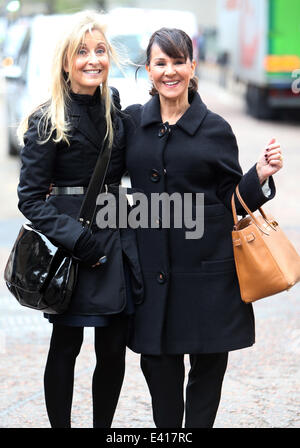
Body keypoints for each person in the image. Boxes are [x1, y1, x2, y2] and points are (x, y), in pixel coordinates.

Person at [122, 28, 283, 428]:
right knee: (159, 372)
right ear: (148, 69)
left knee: (207, 374)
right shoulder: (132, 125)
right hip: (152, 279)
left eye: (178, 62)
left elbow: (232, 202)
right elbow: (105, 177)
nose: (170, 71)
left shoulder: (215, 129)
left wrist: (258, 176)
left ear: (193, 66)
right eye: (161, 63)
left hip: (210, 278)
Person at [17, 11, 143, 428]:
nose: (93, 59)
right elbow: (30, 199)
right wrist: (75, 238)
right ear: (67, 61)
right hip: (74, 249)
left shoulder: (115, 110)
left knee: (112, 348)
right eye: (82, 52)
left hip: (115, 242)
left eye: (101, 50)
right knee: (66, 344)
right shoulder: (46, 118)